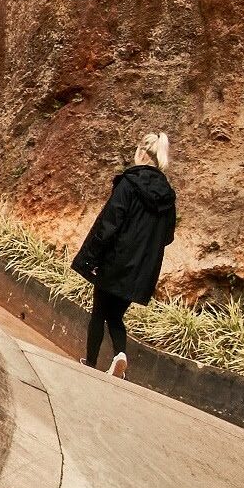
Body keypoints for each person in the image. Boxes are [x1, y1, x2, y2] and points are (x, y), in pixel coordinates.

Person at [71, 133, 177, 379]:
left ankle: (90, 363)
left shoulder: (129, 184)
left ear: (142, 153)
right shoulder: (168, 197)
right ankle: (120, 356)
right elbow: (168, 237)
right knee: (116, 314)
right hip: (141, 271)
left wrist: (92, 258)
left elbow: (109, 223)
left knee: (99, 311)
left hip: (116, 260)